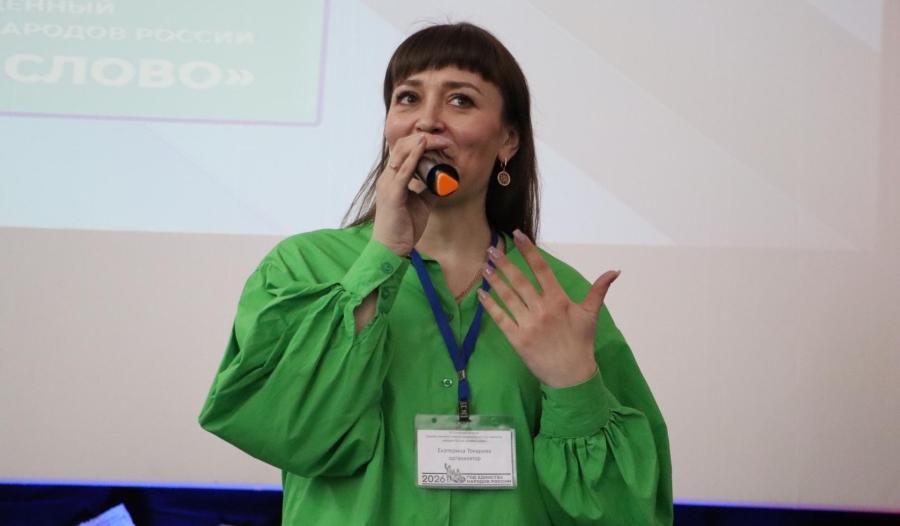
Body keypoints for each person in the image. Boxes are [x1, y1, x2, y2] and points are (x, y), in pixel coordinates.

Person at [199, 22, 672, 526]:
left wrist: (574, 385)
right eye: (407, 98)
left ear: (509, 139)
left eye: (460, 100)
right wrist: (384, 255)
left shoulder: (556, 294)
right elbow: (289, 432)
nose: (427, 121)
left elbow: (628, 514)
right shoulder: (303, 267)